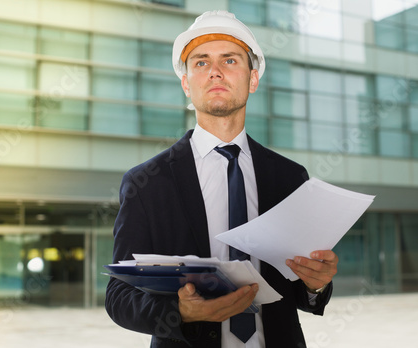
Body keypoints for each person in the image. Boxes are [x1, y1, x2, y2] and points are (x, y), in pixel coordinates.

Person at [105, 10, 338, 348]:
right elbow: (118, 295)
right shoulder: (147, 183)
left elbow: (301, 292)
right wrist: (179, 311)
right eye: (200, 62)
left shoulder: (289, 177)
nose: (214, 71)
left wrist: (316, 284)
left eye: (229, 60)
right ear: (186, 83)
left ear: (252, 79)